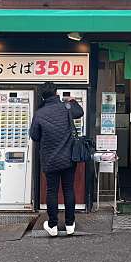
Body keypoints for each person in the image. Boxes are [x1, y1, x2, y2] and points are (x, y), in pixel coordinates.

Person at [30, 82, 84, 237]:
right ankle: (69, 224)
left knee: (51, 191)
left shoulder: (39, 114)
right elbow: (79, 112)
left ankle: (52, 225)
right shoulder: (66, 107)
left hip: (50, 159)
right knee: (68, 189)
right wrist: (72, 100)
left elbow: (34, 136)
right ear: (56, 93)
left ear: (42, 96)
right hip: (68, 158)